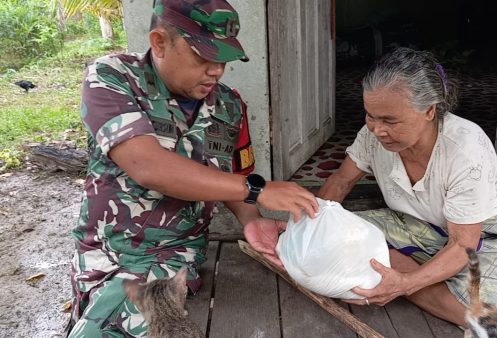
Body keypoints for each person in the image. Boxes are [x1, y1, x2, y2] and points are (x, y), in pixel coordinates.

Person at [66, 0, 318, 336]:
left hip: (176, 261)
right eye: (203, 56)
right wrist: (259, 190)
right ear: (159, 42)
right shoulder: (113, 78)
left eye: (223, 59)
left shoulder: (228, 105)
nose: (216, 70)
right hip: (111, 255)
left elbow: (233, 177)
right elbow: (147, 166)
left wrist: (252, 219)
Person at [317, 47, 497, 327]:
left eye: (390, 120)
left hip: (484, 241)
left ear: (429, 111)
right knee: (331, 231)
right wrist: (312, 227)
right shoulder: (371, 137)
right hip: (413, 226)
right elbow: (342, 181)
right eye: (370, 116)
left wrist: (405, 284)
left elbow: (464, 243)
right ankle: (414, 277)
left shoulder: (465, 149)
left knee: (491, 319)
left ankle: (402, 277)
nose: (377, 129)